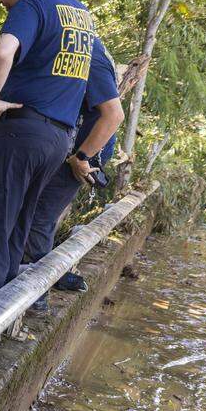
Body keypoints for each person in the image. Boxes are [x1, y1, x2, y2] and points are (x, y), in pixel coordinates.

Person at [0, 0, 110, 311]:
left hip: (21, 133)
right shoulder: (80, 14)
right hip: (58, 140)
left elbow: (0, 53)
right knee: (17, 232)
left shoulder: (32, 5)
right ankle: (4, 316)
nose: (0, 0)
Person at [26, 46, 124, 311]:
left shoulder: (90, 55)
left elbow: (114, 115)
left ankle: (37, 298)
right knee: (36, 215)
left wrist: (81, 157)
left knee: (38, 218)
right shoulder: (74, 49)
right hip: (64, 149)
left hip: (81, 155)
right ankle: (42, 281)